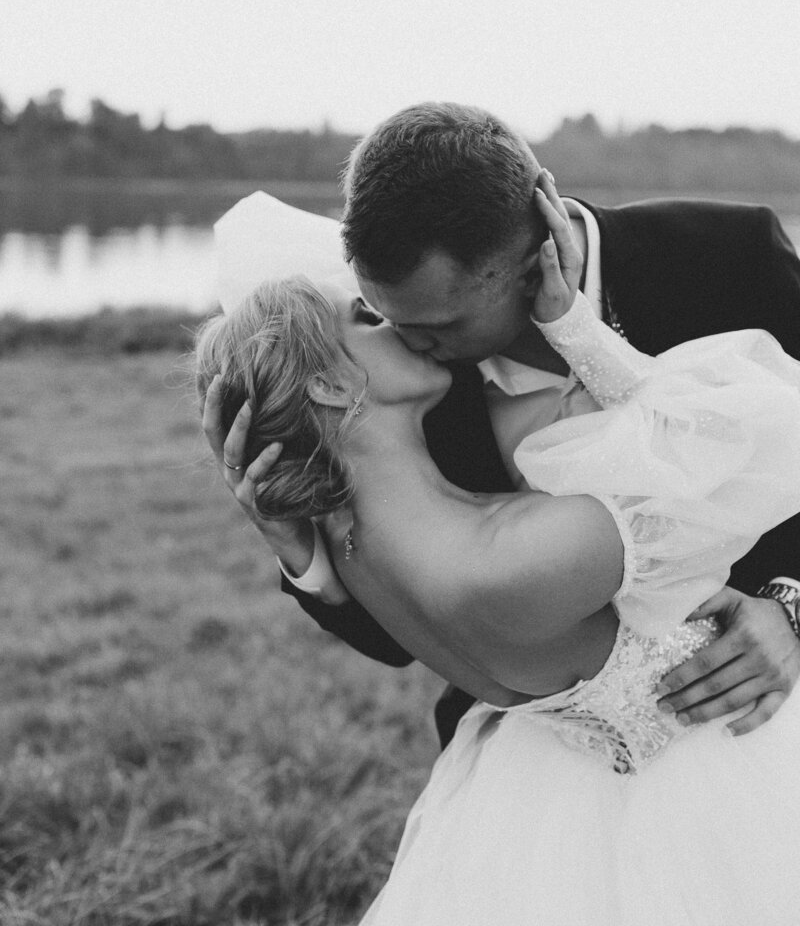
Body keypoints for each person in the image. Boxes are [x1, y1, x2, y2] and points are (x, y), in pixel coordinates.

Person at [196, 183, 800, 924]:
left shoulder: (358, 547)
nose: (401, 328)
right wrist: (579, 332)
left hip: (555, 779)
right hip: (708, 778)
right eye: (366, 315)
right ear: (329, 380)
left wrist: (305, 554)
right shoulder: (513, 556)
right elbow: (753, 444)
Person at [209, 103, 800, 750]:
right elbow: (411, 637)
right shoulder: (394, 397)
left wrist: (791, 611)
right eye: (376, 311)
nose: (407, 341)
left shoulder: (729, 258)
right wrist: (303, 560)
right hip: (533, 766)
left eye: (439, 326)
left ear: (536, 254)